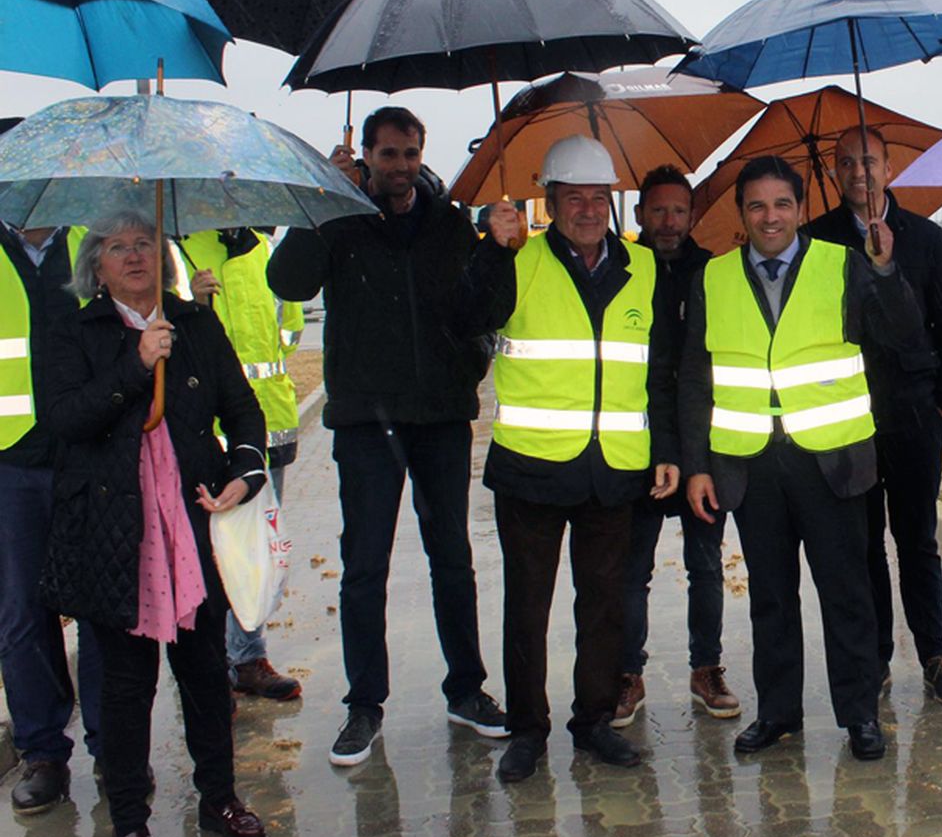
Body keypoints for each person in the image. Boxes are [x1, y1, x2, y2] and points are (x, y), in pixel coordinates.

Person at [268, 106, 505, 768]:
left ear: (420, 154)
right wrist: (320, 202)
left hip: (438, 417)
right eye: (387, 154)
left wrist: (497, 250)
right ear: (366, 155)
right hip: (367, 422)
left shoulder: (449, 221)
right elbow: (287, 282)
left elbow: (480, 309)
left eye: (409, 153)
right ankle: (364, 705)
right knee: (364, 567)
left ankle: (467, 690)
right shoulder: (338, 218)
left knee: (452, 561)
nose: (399, 165)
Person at [38, 211, 270, 837]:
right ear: (97, 265)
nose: (135, 255)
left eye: (144, 243)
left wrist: (244, 476)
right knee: (126, 685)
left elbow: (243, 409)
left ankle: (219, 799)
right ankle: (132, 822)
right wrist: (135, 364)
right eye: (117, 247)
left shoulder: (192, 323)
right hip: (117, 534)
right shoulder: (75, 330)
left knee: (203, 674)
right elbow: (65, 421)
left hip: (192, 525)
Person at [680, 156, 924, 762]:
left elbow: (902, 335)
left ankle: (860, 715)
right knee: (770, 597)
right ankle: (779, 714)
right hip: (751, 466)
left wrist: (886, 268)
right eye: (757, 206)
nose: (770, 217)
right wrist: (697, 465)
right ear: (742, 214)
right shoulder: (713, 278)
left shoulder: (844, 265)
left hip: (834, 464)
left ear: (799, 209)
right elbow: (693, 379)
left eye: (782, 204)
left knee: (846, 593)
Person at [466, 136, 680, 782]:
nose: (587, 209)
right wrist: (490, 252)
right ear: (549, 200)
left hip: (614, 468)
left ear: (612, 202)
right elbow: (469, 316)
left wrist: (666, 449)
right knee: (528, 607)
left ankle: (591, 723)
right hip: (533, 467)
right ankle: (527, 731)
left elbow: (661, 369)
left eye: (598, 197)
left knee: (606, 605)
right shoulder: (516, 258)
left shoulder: (643, 267)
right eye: (572, 197)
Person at [805, 126, 942, 706]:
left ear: (889, 164)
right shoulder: (815, 240)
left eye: (867, 161)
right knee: (863, 542)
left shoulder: (924, 237)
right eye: (845, 163)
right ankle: (874, 659)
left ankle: (934, 652)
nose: (857, 172)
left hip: (915, 416)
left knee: (917, 538)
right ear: (833, 170)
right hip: (847, 417)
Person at [613, 165, 740, 729]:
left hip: (699, 446)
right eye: (657, 210)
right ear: (640, 214)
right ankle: (625, 673)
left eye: (678, 211)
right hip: (637, 444)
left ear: (692, 216)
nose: (668, 222)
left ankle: (706, 667)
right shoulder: (620, 269)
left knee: (705, 565)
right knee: (630, 569)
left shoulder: (712, 272)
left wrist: (702, 455)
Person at [0, 221, 101, 814]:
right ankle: (43, 753)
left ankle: (114, 747)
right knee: (20, 614)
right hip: (10, 461)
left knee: (103, 609)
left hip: (90, 453)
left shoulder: (96, 240)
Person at [179, 227, 303, 701]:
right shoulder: (183, 253)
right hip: (206, 430)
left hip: (269, 420)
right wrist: (195, 306)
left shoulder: (266, 251)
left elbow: (289, 333)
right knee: (208, 555)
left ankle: (247, 658)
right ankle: (207, 672)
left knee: (253, 549)